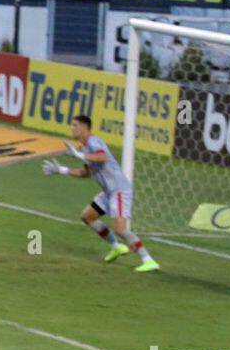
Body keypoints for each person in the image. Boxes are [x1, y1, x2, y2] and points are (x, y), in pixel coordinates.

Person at [42, 115, 159, 273]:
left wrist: (79, 155)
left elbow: (102, 157)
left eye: (75, 125)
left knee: (121, 230)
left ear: (84, 127)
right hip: (108, 192)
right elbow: (87, 173)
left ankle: (148, 260)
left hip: (119, 190)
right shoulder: (85, 148)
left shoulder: (93, 142)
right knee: (87, 217)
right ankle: (116, 247)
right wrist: (61, 170)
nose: (72, 128)